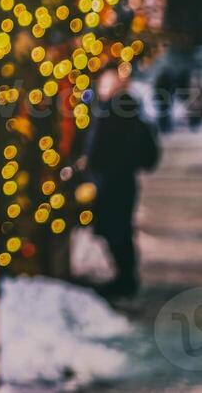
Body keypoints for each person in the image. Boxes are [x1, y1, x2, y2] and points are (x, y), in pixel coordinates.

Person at [82, 66, 161, 300]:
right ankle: (125, 278)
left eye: (108, 83)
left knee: (116, 229)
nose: (103, 87)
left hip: (115, 180)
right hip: (117, 180)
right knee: (117, 228)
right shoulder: (123, 110)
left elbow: (100, 149)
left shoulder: (116, 111)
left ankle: (125, 280)